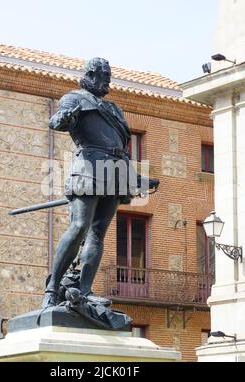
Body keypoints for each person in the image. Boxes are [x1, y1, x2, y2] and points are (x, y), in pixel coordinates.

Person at [42, 57, 158, 309]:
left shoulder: (114, 109)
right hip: (88, 167)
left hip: (116, 172)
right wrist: (67, 118)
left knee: (98, 234)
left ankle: (84, 290)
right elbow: (57, 122)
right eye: (105, 77)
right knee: (80, 225)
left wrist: (137, 179)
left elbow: (119, 148)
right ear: (91, 74)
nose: (108, 82)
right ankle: (52, 290)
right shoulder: (74, 98)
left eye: (109, 77)